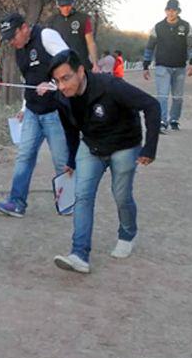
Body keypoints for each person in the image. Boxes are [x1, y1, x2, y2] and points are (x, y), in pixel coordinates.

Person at [41, 50, 160, 274]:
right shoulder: (61, 98)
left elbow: (151, 105)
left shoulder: (111, 86)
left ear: (80, 71)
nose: (62, 86)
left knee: (121, 194)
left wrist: (150, 147)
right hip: (92, 146)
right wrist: (71, 159)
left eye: (66, 78)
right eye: (57, 81)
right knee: (82, 195)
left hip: (124, 145)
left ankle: (127, 234)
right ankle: (79, 254)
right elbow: (70, 129)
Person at [0, 12, 78, 218]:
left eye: (13, 36)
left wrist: (52, 85)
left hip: (56, 112)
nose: (12, 42)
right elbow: (28, 80)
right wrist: (23, 108)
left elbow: (71, 63)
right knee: (24, 157)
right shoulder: (18, 50)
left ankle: (69, 202)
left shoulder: (46, 36)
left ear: (24, 28)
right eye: (8, 39)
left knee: (61, 160)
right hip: (32, 111)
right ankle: (16, 202)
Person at [143, 0, 192, 132]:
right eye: (168, 10)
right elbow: (149, 47)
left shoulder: (186, 26)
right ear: (165, 11)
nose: (171, 12)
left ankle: (174, 119)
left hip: (179, 66)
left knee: (178, 96)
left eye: (173, 10)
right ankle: (162, 121)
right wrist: (146, 65)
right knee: (162, 95)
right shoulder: (158, 27)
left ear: (178, 11)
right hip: (162, 66)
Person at [46, 0, 100, 72]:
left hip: (80, 64)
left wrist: (95, 64)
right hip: (60, 65)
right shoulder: (52, 21)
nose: (66, 8)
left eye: (68, 5)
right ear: (58, 5)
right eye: (62, 6)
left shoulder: (83, 19)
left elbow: (90, 43)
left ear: (72, 4)